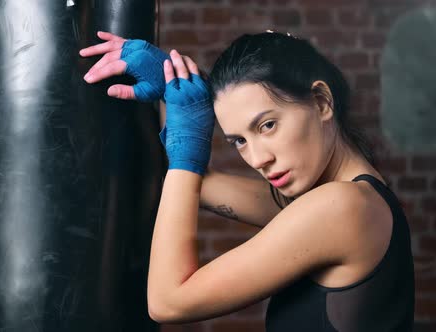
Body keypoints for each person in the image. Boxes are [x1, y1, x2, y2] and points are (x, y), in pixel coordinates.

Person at [79, 30, 415, 331]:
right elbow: (200, 184)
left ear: (322, 102)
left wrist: (186, 145)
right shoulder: (343, 200)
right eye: (239, 140)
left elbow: (168, 301)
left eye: (267, 125)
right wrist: (174, 84)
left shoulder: (345, 208)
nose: (257, 159)